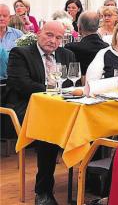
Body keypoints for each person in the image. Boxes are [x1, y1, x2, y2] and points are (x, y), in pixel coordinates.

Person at [6, 21, 76, 205]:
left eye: (59, 37)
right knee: (49, 128)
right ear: (39, 33)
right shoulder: (20, 54)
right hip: (27, 108)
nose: (53, 41)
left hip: (61, 107)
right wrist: (53, 90)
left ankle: (92, 181)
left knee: (87, 121)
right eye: (49, 35)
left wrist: (61, 93)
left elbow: (72, 83)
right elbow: (22, 85)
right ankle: (43, 191)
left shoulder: (67, 54)